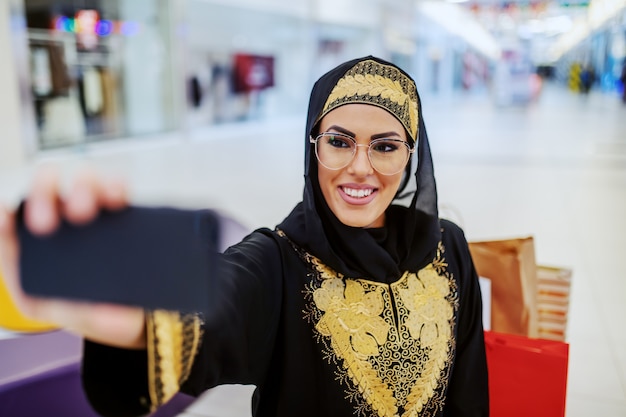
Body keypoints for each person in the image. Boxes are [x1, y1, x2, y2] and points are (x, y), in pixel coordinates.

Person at [0, 56, 489, 416]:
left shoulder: (448, 249)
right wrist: (132, 324)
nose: (359, 167)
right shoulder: (277, 262)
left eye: (385, 146)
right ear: (312, 146)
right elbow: (219, 305)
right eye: (338, 142)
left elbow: (469, 391)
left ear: (410, 156)